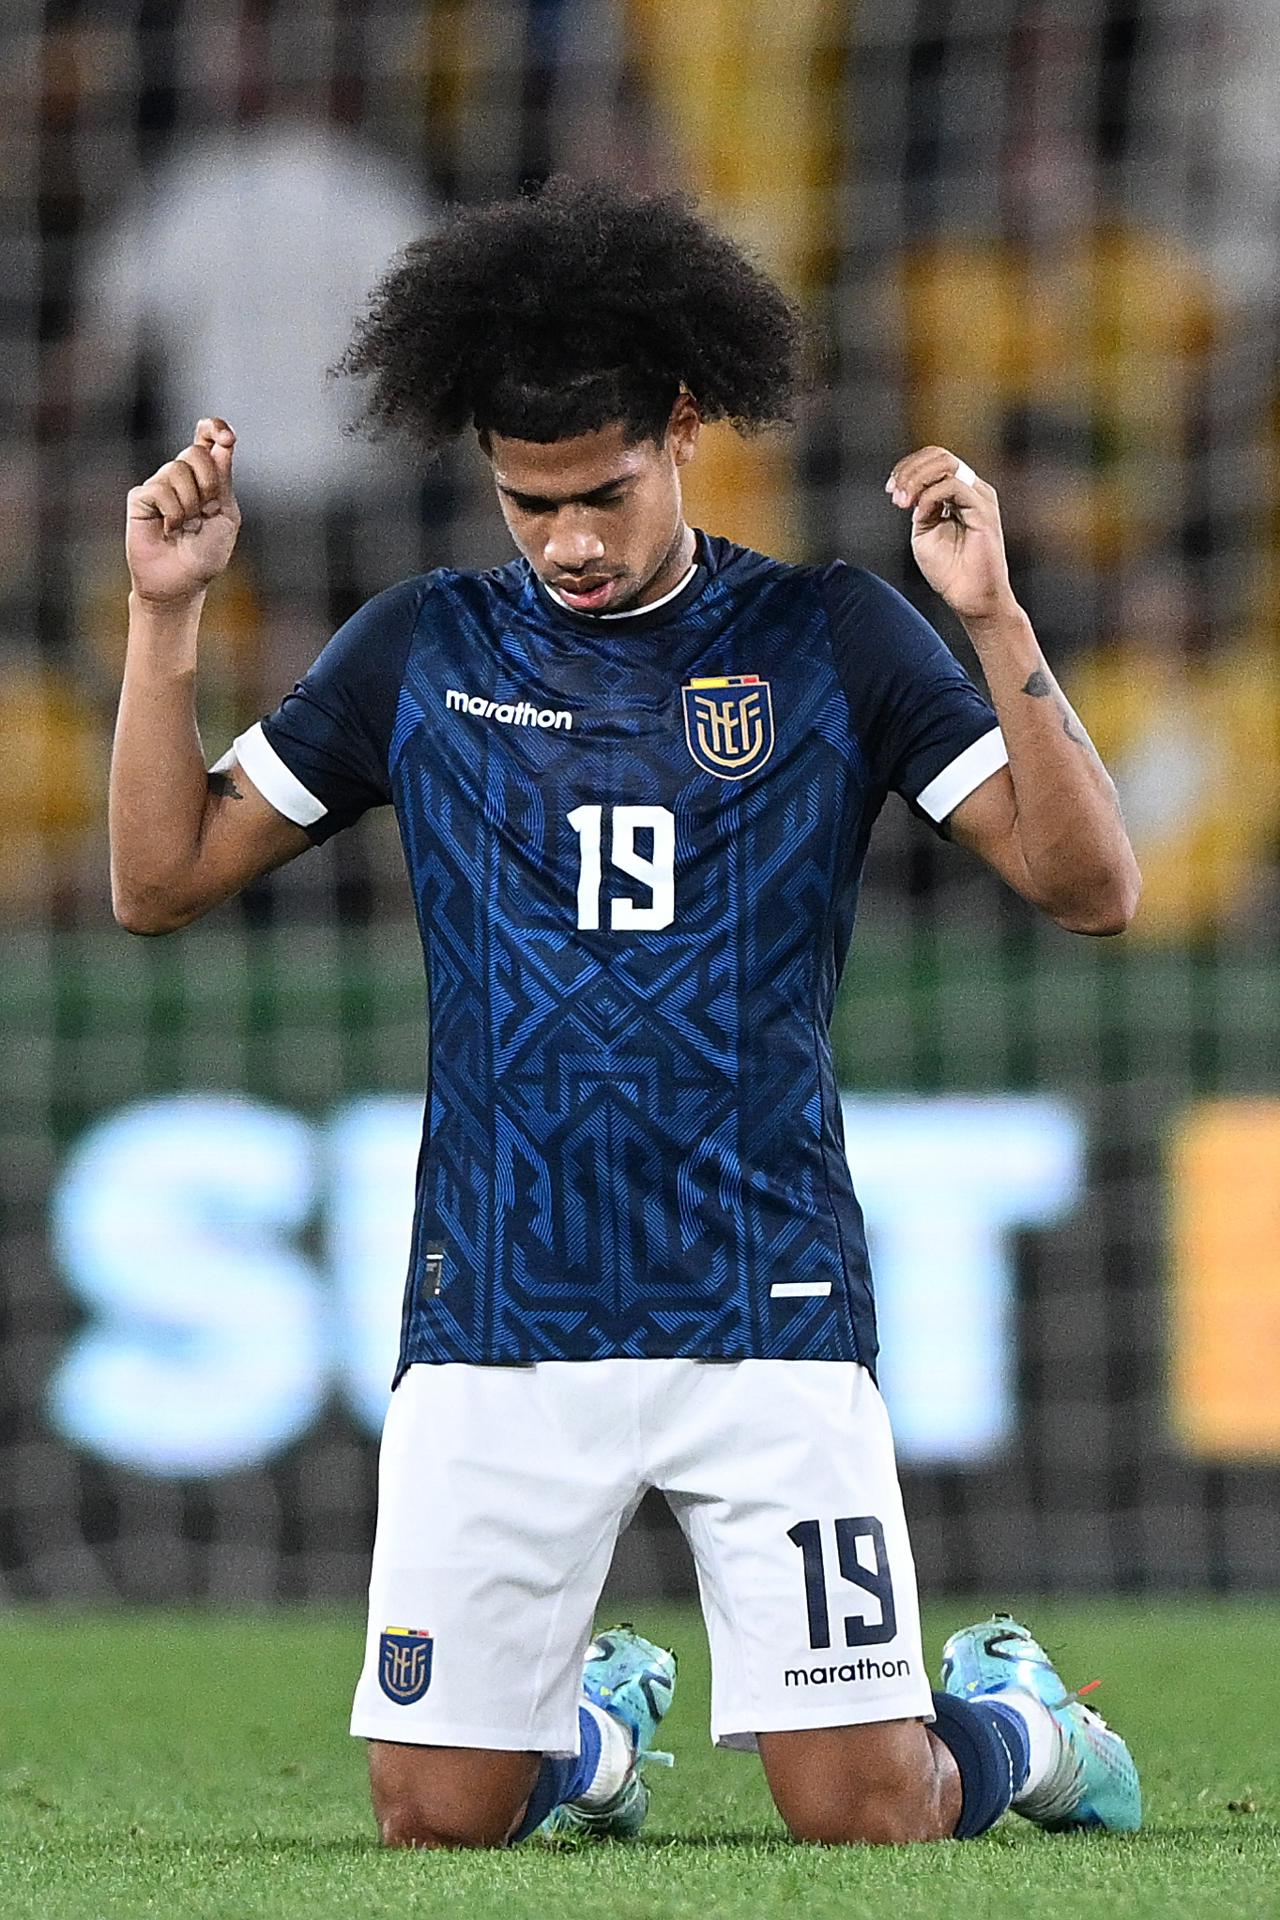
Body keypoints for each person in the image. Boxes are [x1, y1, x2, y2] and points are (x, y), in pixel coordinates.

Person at [109, 178, 1142, 1850]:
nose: (569, 542)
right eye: (529, 506)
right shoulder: (421, 651)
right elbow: (158, 883)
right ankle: (586, 1738)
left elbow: (1093, 890)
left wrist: (993, 615)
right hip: (500, 1303)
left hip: (766, 1293)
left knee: (864, 1814)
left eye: (601, 492)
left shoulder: (829, 633)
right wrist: (166, 621)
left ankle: (1019, 1726)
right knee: (439, 1818)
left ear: (680, 427)